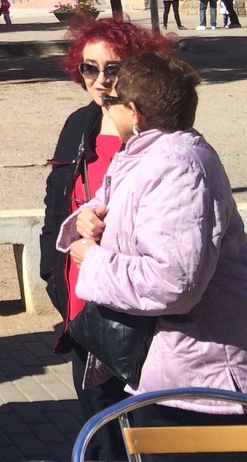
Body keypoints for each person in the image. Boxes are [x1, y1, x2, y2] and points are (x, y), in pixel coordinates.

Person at [60, 52, 247, 436]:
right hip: (166, 370)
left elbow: (173, 282)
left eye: (111, 101)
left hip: (198, 386)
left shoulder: (179, 167)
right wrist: (88, 218)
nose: (104, 108)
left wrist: (93, 261)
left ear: (134, 111)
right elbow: (122, 205)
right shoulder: (148, 154)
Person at [39, 17, 169, 460]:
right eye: (89, 68)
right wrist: (52, 273)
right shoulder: (80, 123)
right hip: (84, 296)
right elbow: (56, 202)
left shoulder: (157, 130)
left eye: (112, 68)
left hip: (138, 301)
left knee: (148, 426)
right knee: (98, 428)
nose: (100, 79)